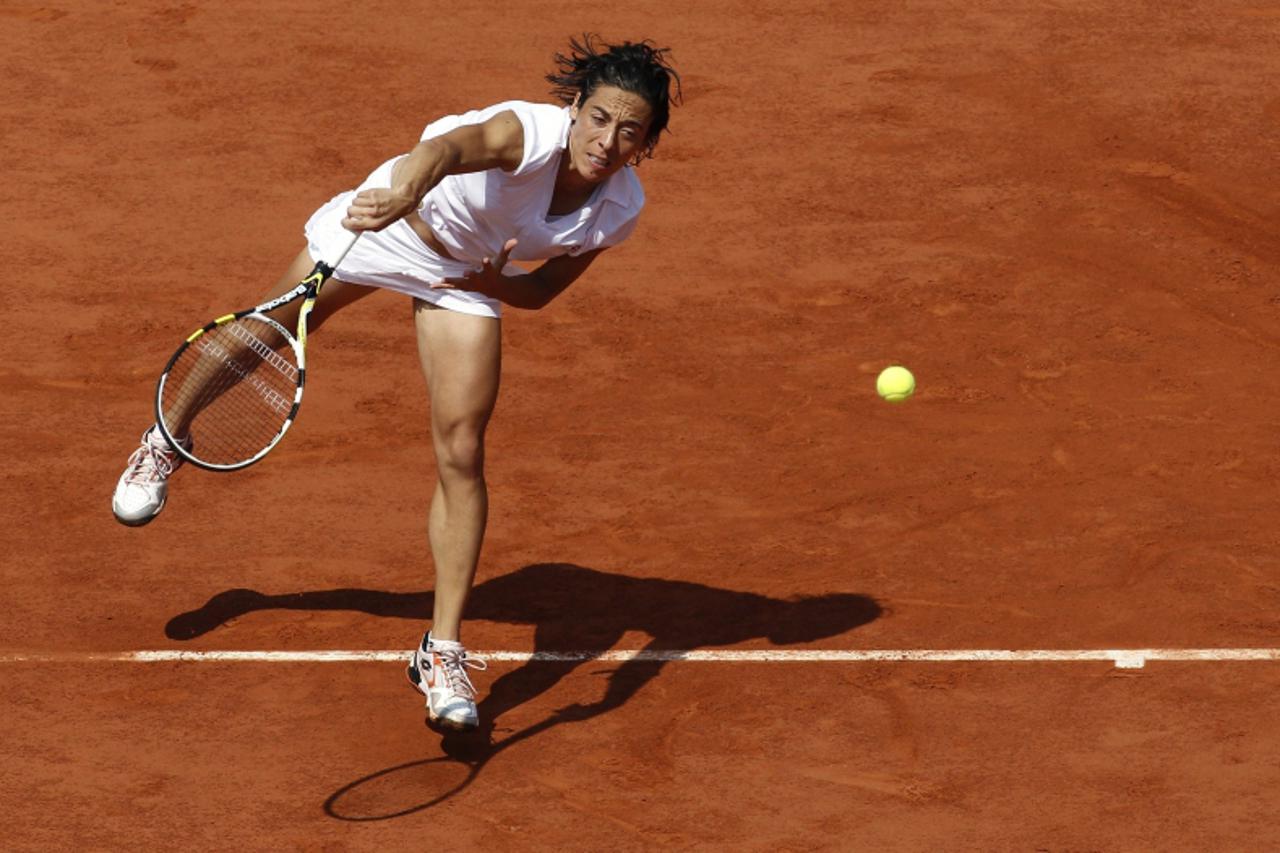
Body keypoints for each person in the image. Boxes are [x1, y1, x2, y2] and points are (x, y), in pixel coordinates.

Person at [111, 35, 682, 732]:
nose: (607, 139)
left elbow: (543, 291)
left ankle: (440, 651)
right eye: (598, 118)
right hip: (390, 224)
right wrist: (401, 193)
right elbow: (445, 153)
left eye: (629, 129)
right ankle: (165, 440)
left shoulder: (616, 208)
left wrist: (491, 281)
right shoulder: (525, 133)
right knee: (265, 329)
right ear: (574, 110)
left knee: (462, 449)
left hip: (460, 274)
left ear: (646, 141)